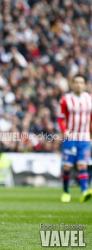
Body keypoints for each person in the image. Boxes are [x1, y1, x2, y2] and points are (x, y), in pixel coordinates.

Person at [57, 74, 92, 202]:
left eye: (81, 82)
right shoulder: (66, 99)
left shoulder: (89, 99)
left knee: (83, 165)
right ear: (72, 84)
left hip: (84, 138)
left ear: (85, 85)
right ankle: (66, 191)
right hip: (71, 137)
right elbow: (60, 118)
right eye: (76, 82)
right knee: (67, 167)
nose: (79, 85)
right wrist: (65, 130)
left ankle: (84, 191)